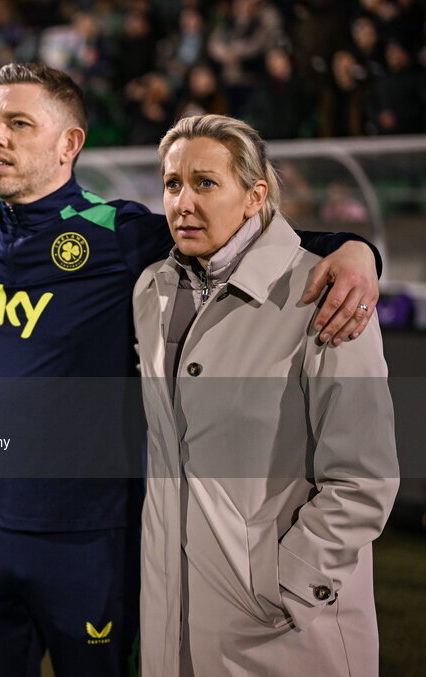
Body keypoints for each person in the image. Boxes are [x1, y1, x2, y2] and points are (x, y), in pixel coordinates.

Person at [0, 62, 382, 677]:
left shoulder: (120, 237)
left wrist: (357, 249)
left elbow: (250, 235)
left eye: (18, 122)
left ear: (70, 144)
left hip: (91, 538)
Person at [133, 113, 398, 676]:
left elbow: (364, 477)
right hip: (170, 621)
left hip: (283, 629)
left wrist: (291, 586)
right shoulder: (149, 289)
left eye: (206, 183)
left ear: (255, 196)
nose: (183, 201)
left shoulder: (325, 293)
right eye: (172, 183)